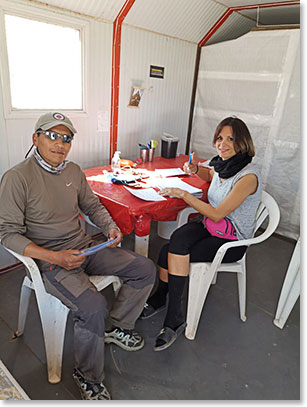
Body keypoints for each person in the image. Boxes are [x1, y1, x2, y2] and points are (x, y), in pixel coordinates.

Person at [0, 112, 156, 400]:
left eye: (67, 138)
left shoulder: (73, 171)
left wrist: (109, 226)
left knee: (145, 268)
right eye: (52, 136)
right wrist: (55, 257)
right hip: (49, 262)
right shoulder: (16, 178)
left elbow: (93, 205)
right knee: (93, 306)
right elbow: (7, 234)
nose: (60, 144)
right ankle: (87, 376)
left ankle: (118, 327)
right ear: (35, 138)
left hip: (85, 247)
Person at [140, 116, 262, 351]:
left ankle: (172, 316)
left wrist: (183, 194)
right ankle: (163, 299)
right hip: (212, 227)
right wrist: (196, 169)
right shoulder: (224, 164)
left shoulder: (247, 177)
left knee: (173, 251)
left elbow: (217, 213)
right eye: (219, 138)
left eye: (230, 139)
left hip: (232, 240)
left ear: (243, 143)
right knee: (170, 246)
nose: (222, 144)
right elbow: (212, 176)